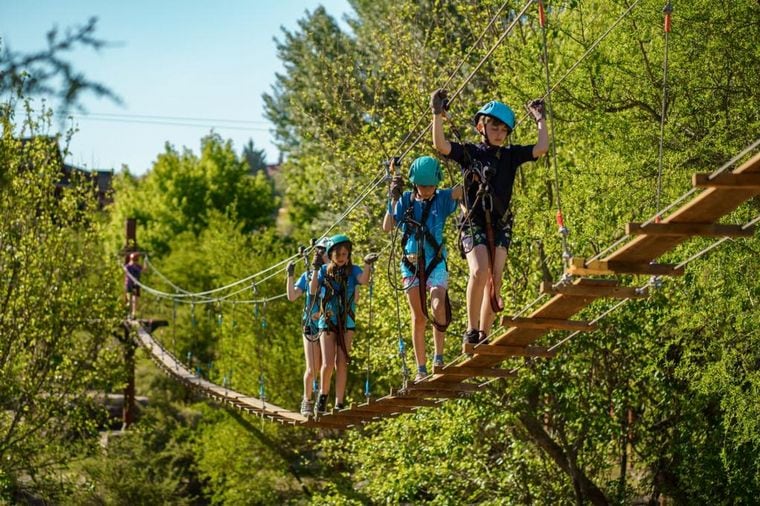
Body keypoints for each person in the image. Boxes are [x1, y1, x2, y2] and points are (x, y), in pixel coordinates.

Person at [430, 89, 549, 351]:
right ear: (481, 127)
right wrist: (437, 115)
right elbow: (441, 145)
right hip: (473, 220)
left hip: (500, 222)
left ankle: (484, 333)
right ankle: (472, 330)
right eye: (494, 127)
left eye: (504, 130)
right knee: (479, 270)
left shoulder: (510, 156)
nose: (499, 133)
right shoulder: (470, 152)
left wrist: (541, 120)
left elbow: (541, 148)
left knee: (495, 277)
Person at [382, 156, 462, 381]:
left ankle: (439, 356)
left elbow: (462, 189)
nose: (426, 190)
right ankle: (421, 368)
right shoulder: (405, 201)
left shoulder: (443, 199)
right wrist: (393, 195)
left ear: (437, 183)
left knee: (438, 305)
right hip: (411, 264)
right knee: (418, 317)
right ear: (414, 183)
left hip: (435, 261)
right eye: (422, 185)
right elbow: (387, 227)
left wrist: (463, 159)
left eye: (430, 185)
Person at [310, 234, 378, 414]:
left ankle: (339, 402)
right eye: (338, 255)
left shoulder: (353, 270)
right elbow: (312, 289)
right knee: (328, 363)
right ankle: (323, 396)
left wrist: (367, 265)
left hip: (347, 322)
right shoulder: (324, 270)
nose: (342, 258)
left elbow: (364, 280)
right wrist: (316, 269)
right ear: (331, 254)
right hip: (327, 322)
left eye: (345, 255)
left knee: (342, 362)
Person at [287, 239, 329, 417]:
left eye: (324, 252)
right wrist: (290, 275)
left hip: (328, 325)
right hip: (311, 327)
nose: (321, 256)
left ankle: (322, 399)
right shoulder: (308, 276)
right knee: (312, 368)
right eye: (318, 252)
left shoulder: (335, 276)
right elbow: (292, 296)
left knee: (326, 367)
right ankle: (307, 400)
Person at [124, 252, 143, 319]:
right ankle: (128, 313)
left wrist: (146, 262)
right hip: (129, 284)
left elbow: (144, 270)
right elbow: (125, 270)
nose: (135, 261)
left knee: (135, 300)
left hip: (136, 284)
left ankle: (133, 314)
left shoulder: (138, 266)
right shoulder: (128, 266)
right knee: (130, 300)